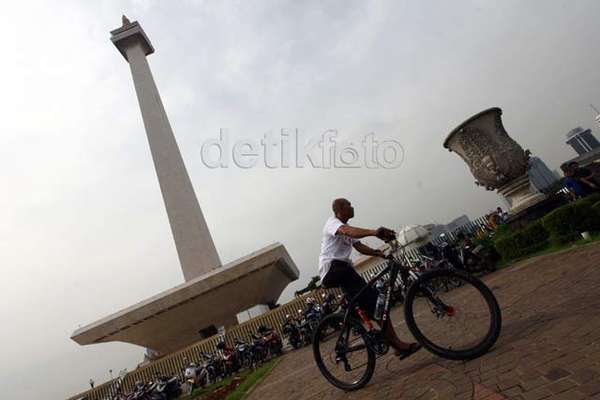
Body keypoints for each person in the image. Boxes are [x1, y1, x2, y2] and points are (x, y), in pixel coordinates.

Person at [318, 198, 421, 358]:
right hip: (333, 269)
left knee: (373, 305)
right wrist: (375, 232)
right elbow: (347, 231)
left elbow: (359, 246)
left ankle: (355, 320)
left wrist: (379, 253)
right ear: (339, 210)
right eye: (348, 205)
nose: (352, 207)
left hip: (342, 270)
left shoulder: (347, 229)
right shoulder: (333, 223)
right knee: (375, 303)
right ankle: (398, 345)